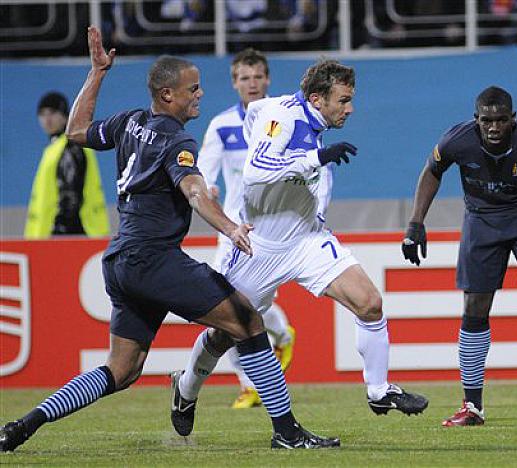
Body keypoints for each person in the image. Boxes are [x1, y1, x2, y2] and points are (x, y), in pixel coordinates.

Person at [0, 25, 338, 452]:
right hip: (154, 259)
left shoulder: (129, 122)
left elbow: (77, 130)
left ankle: (22, 426)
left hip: (120, 261)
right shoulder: (177, 140)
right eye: (192, 89)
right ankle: (287, 432)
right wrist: (230, 227)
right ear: (167, 95)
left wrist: (97, 73)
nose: (200, 94)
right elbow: (195, 191)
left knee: (121, 370)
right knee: (248, 322)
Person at [169, 57, 429, 438]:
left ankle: (378, 390)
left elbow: (254, 112)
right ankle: (186, 387)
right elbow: (256, 171)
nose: (350, 109)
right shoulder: (283, 116)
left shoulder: (295, 116)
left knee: (370, 302)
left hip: (307, 239)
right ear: (317, 99)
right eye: (343, 100)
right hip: (260, 244)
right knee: (225, 332)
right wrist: (314, 158)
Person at [402, 86, 517, 427]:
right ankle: (472, 406)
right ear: (476, 119)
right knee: (475, 306)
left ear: (513, 119)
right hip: (482, 219)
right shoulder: (456, 141)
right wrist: (415, 223)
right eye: (486, 121)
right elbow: (432, 171)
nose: (493, 127)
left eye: (500, 120)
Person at [172, 48, 311, 414]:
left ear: (267, 79)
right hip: (234, 228)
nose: (252, 83)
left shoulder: (287, 118)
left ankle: (280, 333)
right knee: (228, 305)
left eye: (257, 76)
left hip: (276, 226)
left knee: (251, 303)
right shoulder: (221, 125)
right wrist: (208, 189)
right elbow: (202, 171)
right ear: (235, 83)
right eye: (244, 78)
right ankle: (250, 384)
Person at [25, 91, 110, 238]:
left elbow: (71, 197)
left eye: (52, 113)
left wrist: (60, 232)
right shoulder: (55, 149)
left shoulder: (70, 148)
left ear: (65, 115)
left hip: (69, 234)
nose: (47, 119)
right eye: (42, 114)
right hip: (51, 237)